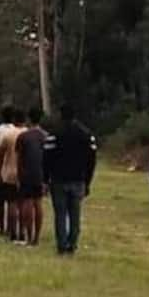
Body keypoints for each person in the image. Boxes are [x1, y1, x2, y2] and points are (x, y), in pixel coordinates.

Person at [43, 105, 97, 256]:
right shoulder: (86, 134)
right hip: (78, 179)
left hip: (58, 179)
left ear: (61, 115)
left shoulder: (54, 134)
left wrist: (45, 179)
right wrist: (88, 180)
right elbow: (92, 159)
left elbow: (46, 158)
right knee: (75, 213)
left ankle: (61, 244)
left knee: (60, 214)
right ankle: (72, 244)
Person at [16, 107, 47, 246]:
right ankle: (37, 237)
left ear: (29, 119)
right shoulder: (46, 136)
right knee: (38, 203)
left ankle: (29, 236)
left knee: (27, 203)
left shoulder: (23, 136)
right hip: (40, 173)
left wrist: (19, 174)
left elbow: (19, 158)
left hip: (26, 173)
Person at [0, 109, 25, 243]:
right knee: (23, 204)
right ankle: (23, 231)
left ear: (14, 120)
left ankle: (12, 231)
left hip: (9, 172)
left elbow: (0, 155)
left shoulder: (7, 135)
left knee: (11, 203)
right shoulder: (27, 134)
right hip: (25, 173)